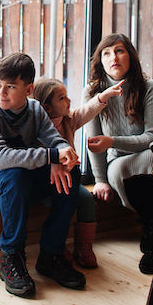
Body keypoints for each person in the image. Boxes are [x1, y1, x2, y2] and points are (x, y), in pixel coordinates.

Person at [0, 52, 87, 298]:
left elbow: (55, 141)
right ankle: (12, 258)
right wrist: (51, 156)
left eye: (10, 86)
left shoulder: (35, 110)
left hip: (19, 184)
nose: (1, 93)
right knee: (13, 175)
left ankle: (51, 255)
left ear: (29, 89)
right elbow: (1, 159)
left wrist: (61, 157)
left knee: (71, 172)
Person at [83, 33, 153, 275]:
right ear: (100, 61)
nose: (114, 58)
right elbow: (93, 143)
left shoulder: (150, 88)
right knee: (121, 168)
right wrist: (99, 181)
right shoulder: (92, 93)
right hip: (117, 163)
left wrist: (112, 140)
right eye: (107, 53)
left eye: (119, 51)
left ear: (130, 55)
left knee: (150, 159)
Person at [32, 76, 123, 268]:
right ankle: (57, 246)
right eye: (62, 98)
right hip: (48, 183)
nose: (69, 101)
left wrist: (104, 96)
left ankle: (84, 247)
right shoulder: (37, 129)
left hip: (70, 182)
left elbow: (86, 111)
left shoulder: (68, 121)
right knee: (62, 203)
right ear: (47, 107)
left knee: (87, 200)